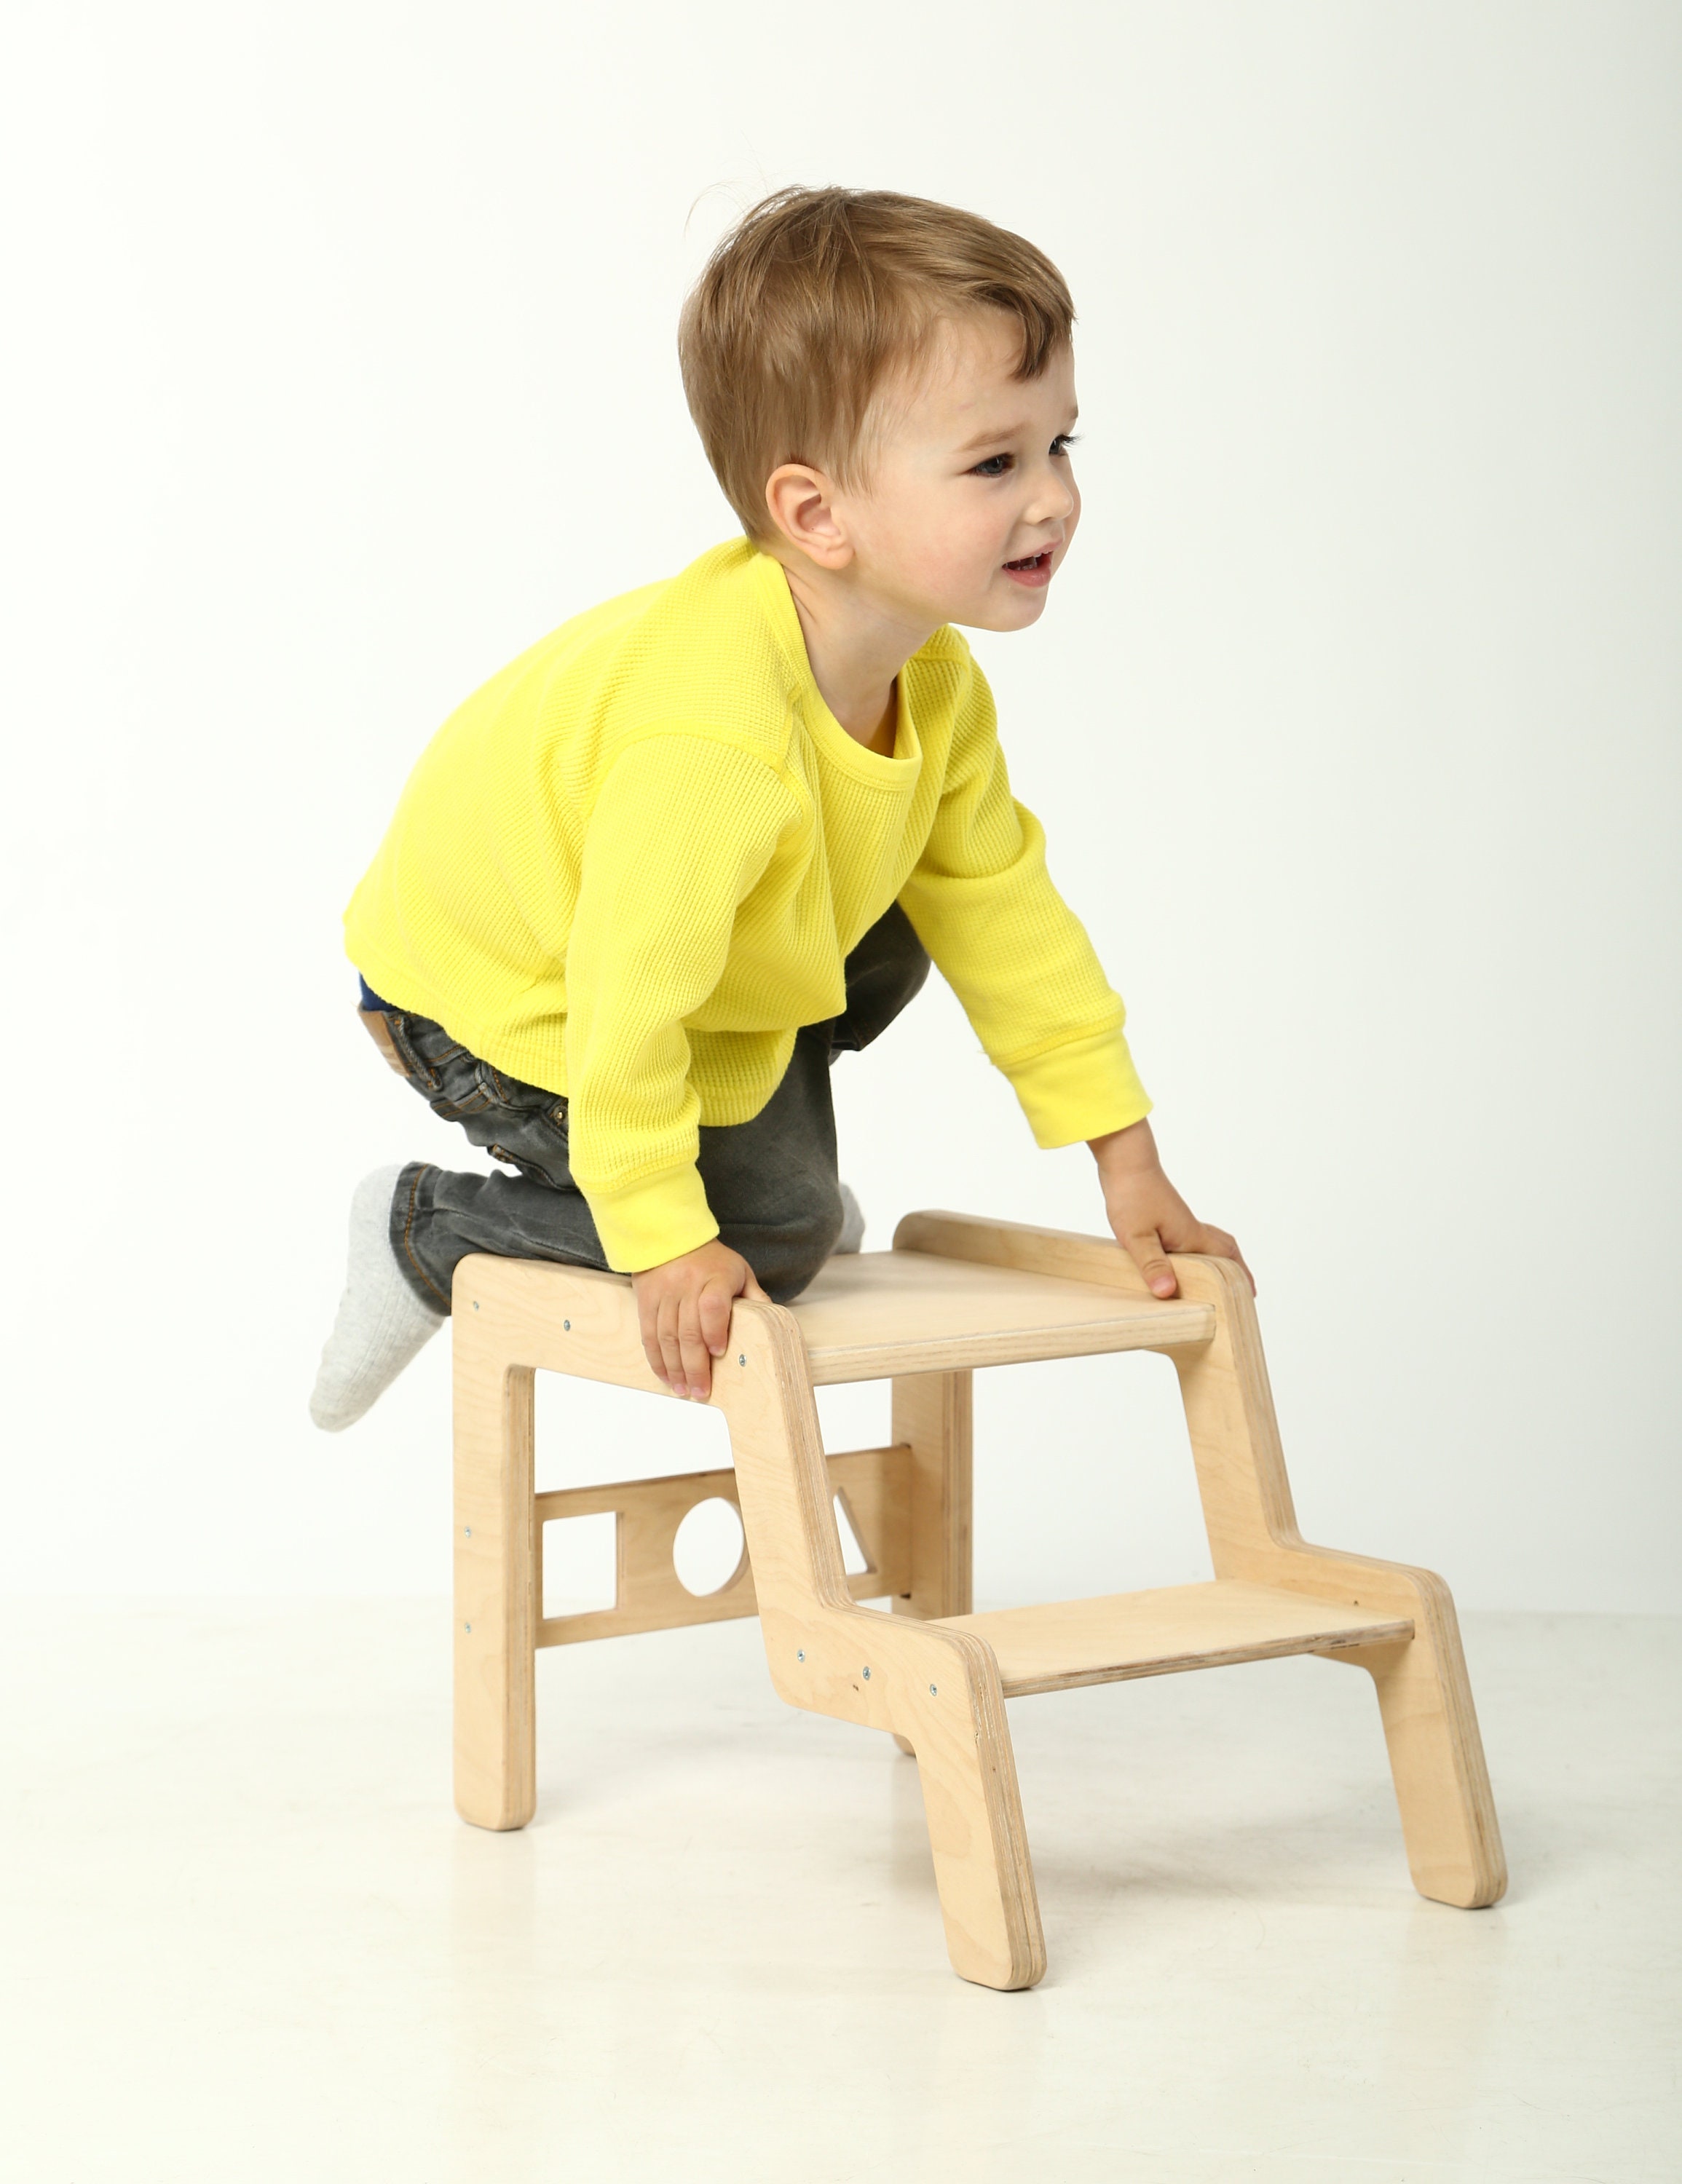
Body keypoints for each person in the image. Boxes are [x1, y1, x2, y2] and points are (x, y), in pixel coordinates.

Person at [310, 186, 1249, 1431]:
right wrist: (678, 1233)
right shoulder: (712, 734)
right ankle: (423, 1230)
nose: (1053, 499)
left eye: (1059, 445)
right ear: (817, 514)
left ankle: (761, 1166)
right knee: (777, 1236)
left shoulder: (930, 679)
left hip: (655, 952)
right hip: (496, 993)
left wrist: (1125, 1160)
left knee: (929, 892)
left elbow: (1006, 914)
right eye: (993, 464)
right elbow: (628, 995)